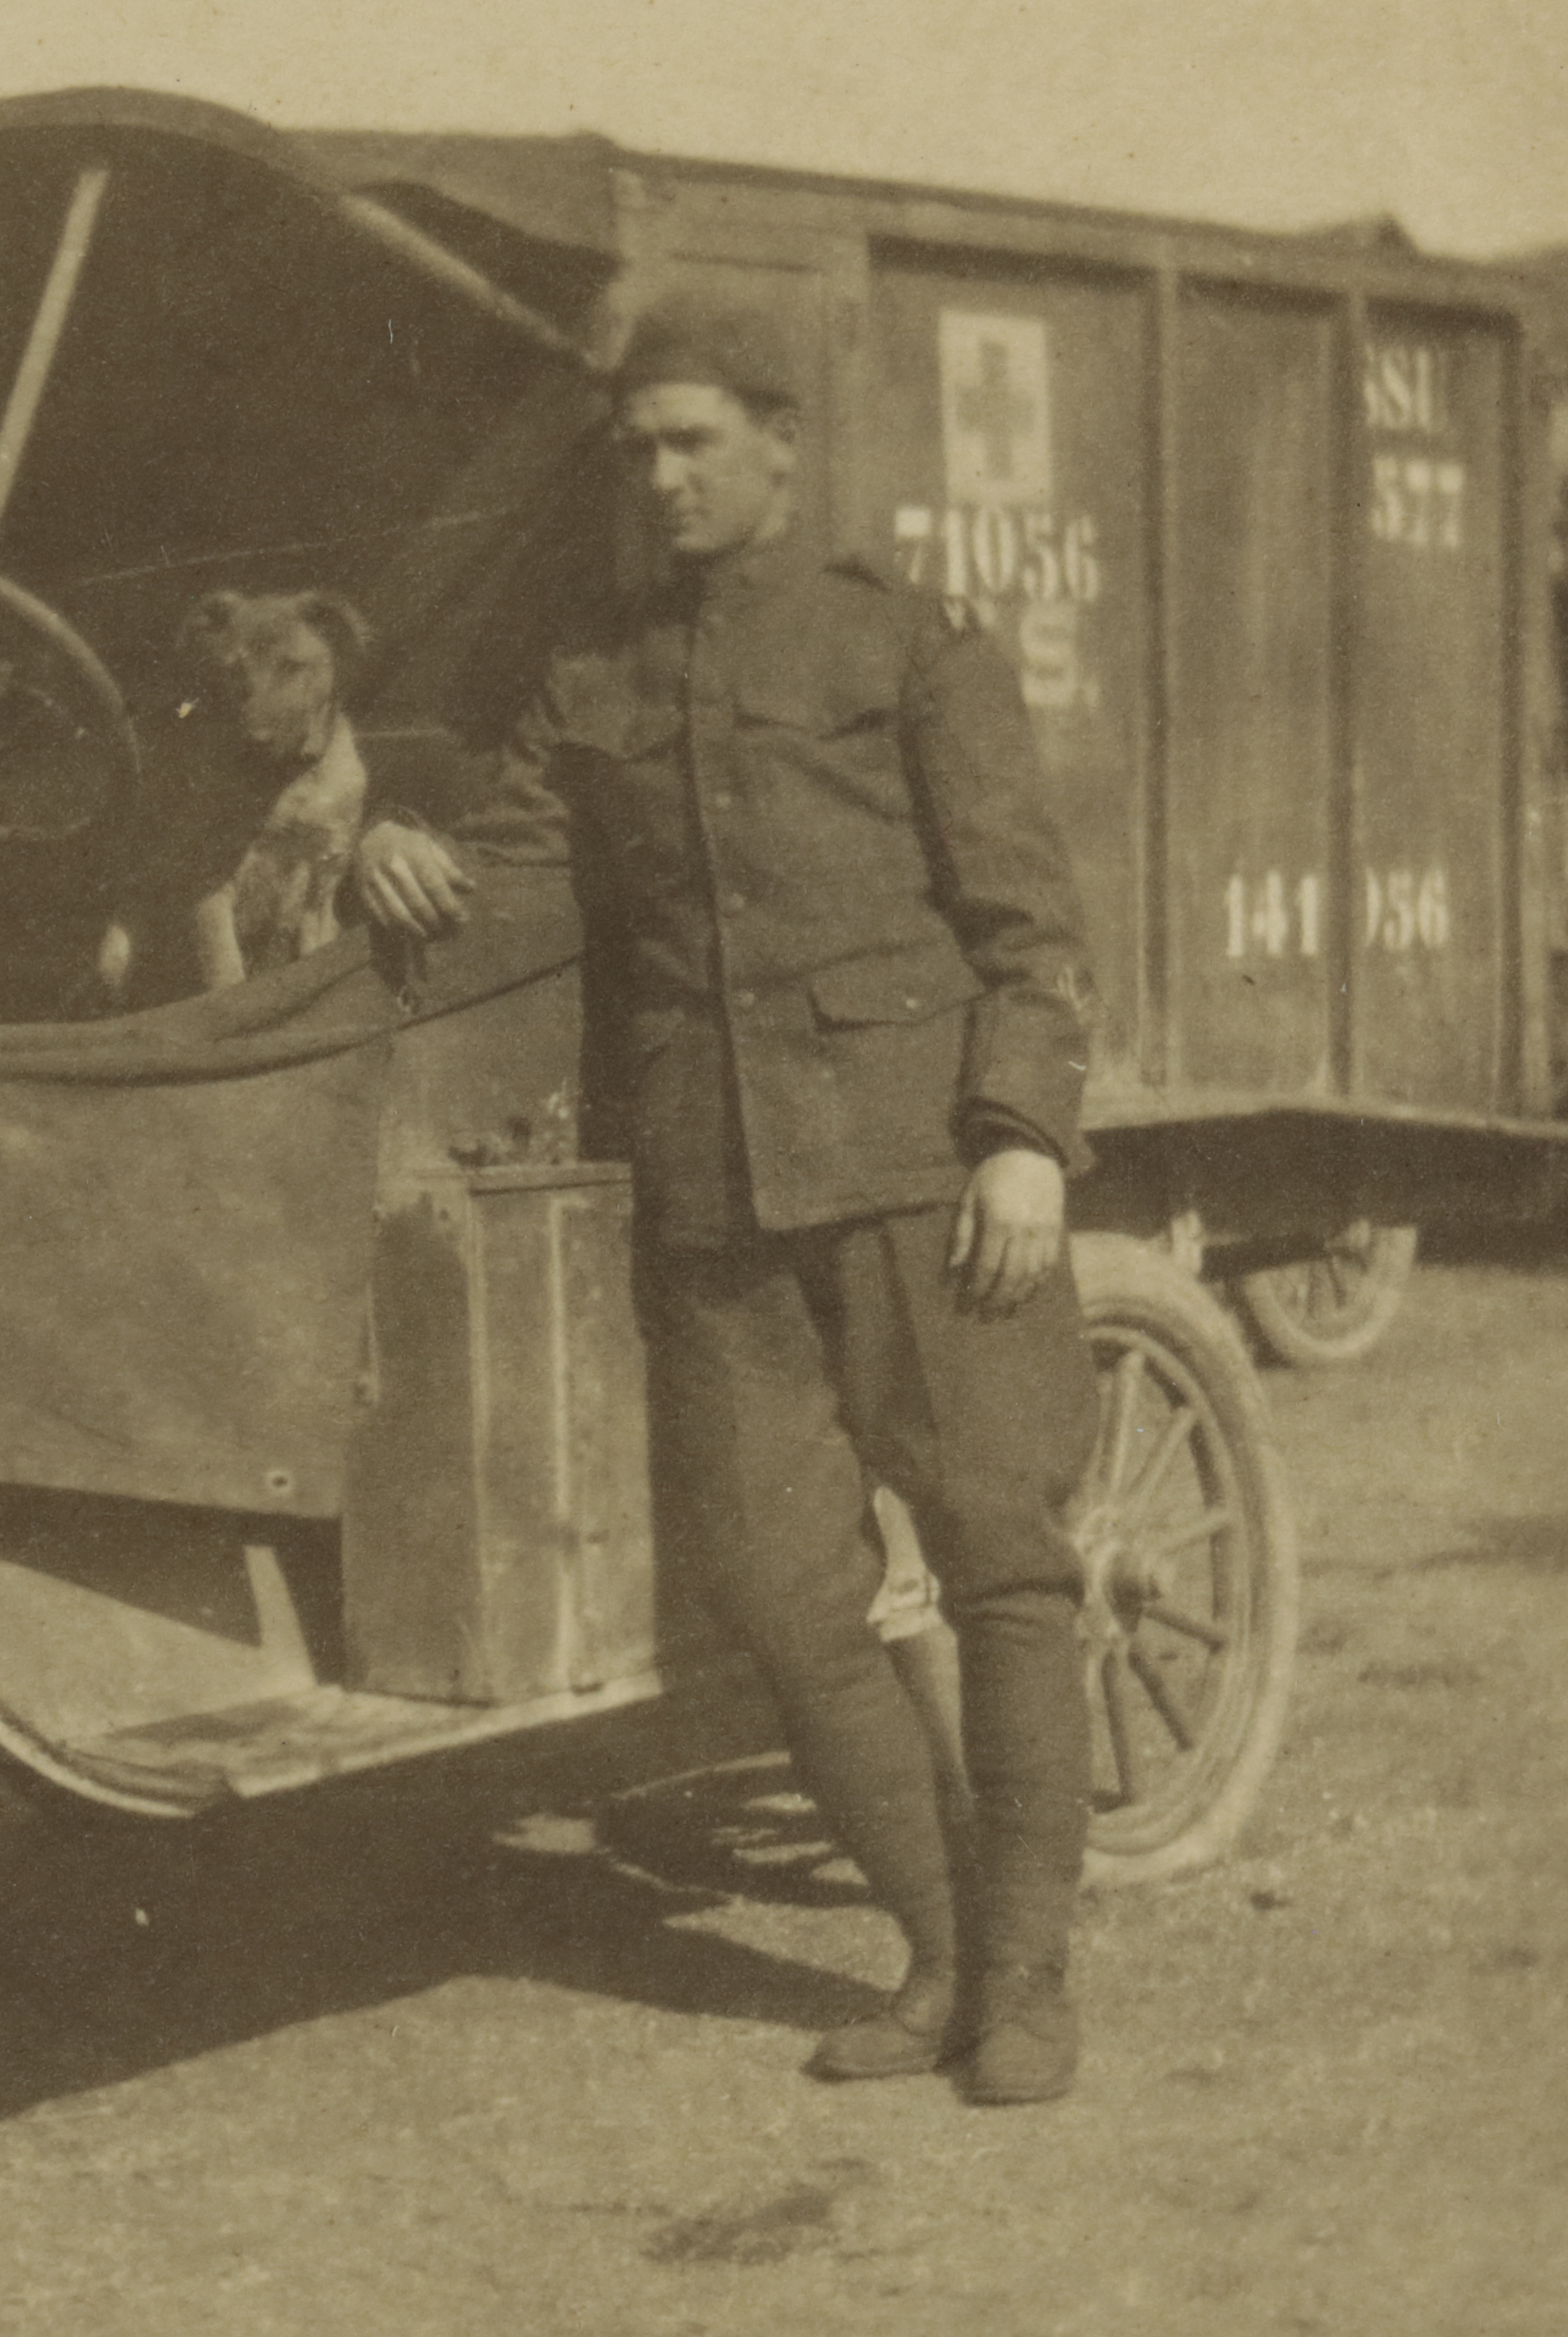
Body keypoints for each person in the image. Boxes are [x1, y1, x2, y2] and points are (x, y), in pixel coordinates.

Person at [352, 289, 1106, 2102]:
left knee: (1003, 1566)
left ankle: (1029, 1981)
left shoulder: (906, 644)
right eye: (643, 452)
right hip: (711, 1202)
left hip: (925, 1178)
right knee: (783, 1598)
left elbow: (1026, 921)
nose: (666, 477)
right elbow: (511, 867)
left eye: (698, 443)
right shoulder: (592, 676)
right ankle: (932, 1955)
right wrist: (389, 830)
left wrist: (1021, 1133)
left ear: (781, 445)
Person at [94, 586, 377, 1005]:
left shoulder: (345, 777)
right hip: (189, 977)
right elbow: (208, 895)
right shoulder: (223, 764)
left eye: (292, 670)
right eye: (239, 675)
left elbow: (321, 906)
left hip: (273, 963)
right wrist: (237, 1012)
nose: (258, 719)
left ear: (336, 655)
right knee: (114, 962)